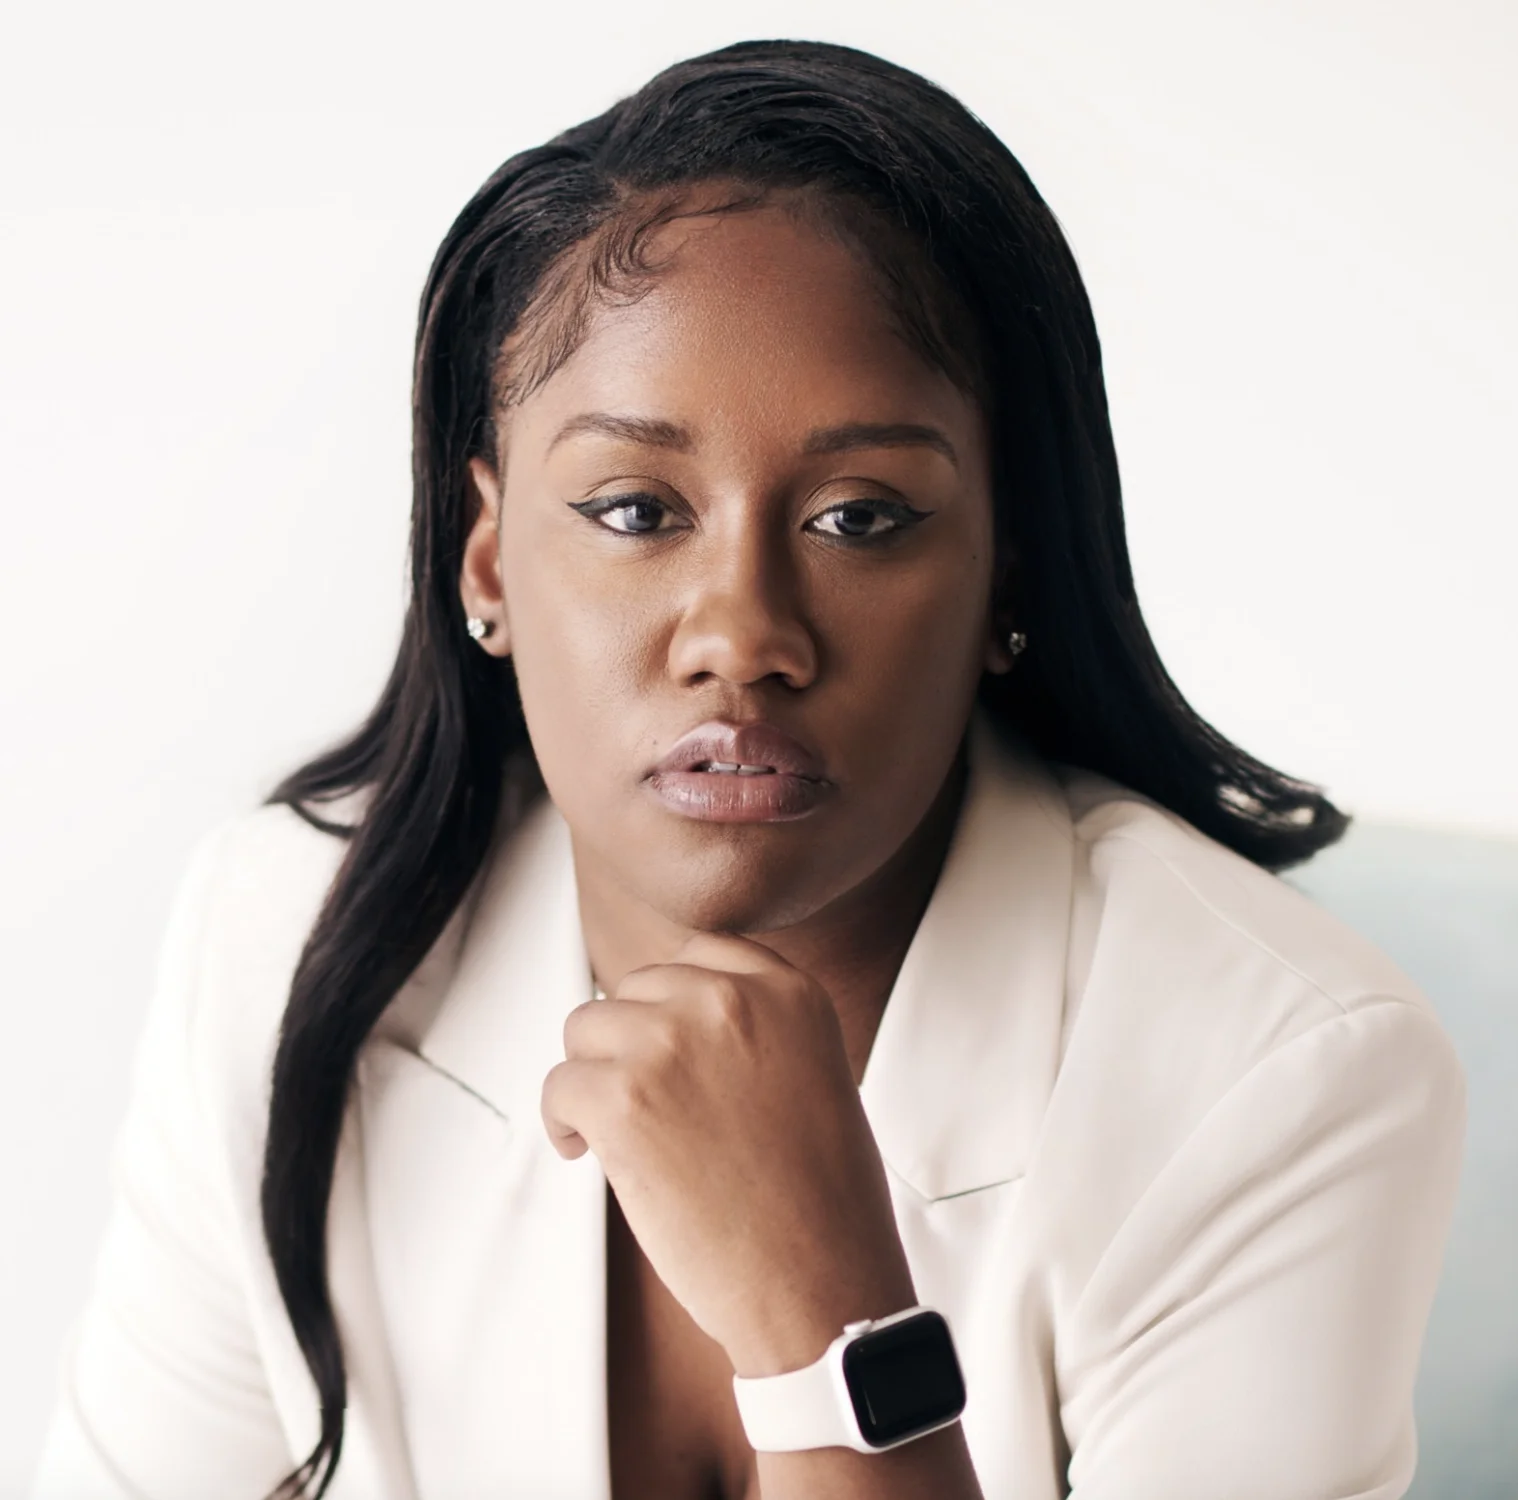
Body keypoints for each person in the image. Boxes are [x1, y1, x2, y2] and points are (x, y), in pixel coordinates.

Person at [30, 37, 1465, 1500]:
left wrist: (829, 1324)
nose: (741, 637)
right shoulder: (281, 936)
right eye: (636, 508)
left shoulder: (1287, 1079)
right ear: (488, 562)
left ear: (1004, 572)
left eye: (859, 518)